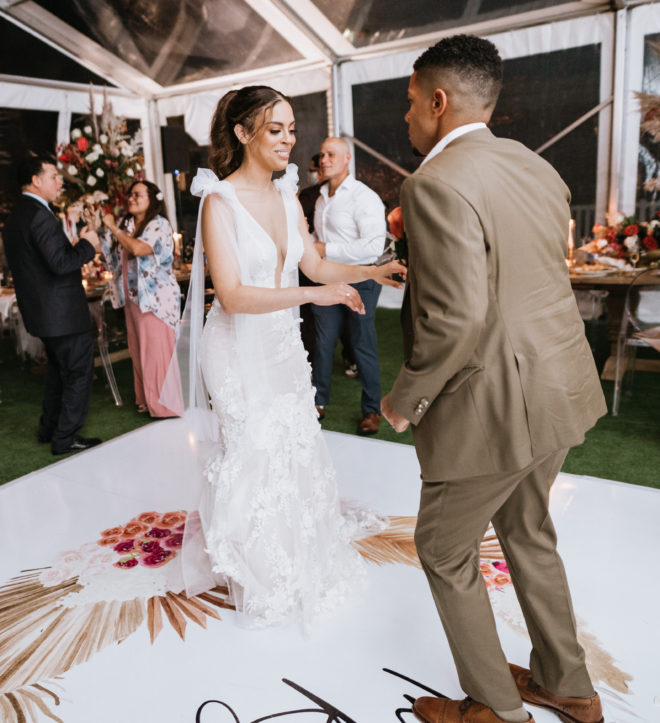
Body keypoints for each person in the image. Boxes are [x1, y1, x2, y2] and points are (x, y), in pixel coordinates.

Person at [381, 35, 606, 723]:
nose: (409, 117)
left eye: (413, 103)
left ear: (439, 101)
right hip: (561, 387)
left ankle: (495, 708)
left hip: (495, 404)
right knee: (528, 524)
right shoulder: (535, 167)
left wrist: (402, 399)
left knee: (442, 548)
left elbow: (457, 320)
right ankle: (568, 683)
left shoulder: (434, 183)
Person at [181, 85, 405, 630]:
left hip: (281, 344)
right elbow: (232, 296)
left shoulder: (287, 196)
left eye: (290, 129)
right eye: (274, 129)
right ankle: (256, 570)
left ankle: (296, 553)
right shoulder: (220, 202)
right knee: (254, 453)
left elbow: (315, 266)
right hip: (236, 347)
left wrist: (370, 273)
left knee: (295, 444)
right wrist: (314, 296)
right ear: (242, 133)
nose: (288, 139)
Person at [3, 153, 101, 455]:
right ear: (36, 180)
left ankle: (49, 428)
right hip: (62, 313)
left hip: (44, 313)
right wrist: (89, 244)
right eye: (54, 176)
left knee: (59, 372)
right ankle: (65, 437)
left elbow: (43, 261)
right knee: (77, 373)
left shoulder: (17, 216)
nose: (60, 181)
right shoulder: (39, 215)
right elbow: (60, 264)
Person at [311, 137, 387, 434]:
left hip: (362, 280)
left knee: (360, 344)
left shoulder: (364, 197)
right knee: (322, 343)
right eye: (322, 155)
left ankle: (372, 411)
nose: (325, 159)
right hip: (327, 280)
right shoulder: (320, 199)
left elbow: (372, 247)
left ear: (347, 159)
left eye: (331, 154)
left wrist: (324, 248)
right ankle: (316, 402)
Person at [100, 180, 183, 418]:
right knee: (138, 351)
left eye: (137, 194)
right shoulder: (128, 225)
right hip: (133, 299)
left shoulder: (159, 225)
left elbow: (138, 249)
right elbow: (114, 257)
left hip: (155, 301)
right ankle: (145, 400)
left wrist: (113, 229)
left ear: (152, 199)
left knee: (156, 352)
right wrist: (100, 228)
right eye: (130, 194)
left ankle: (165, 405)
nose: (131, 198)